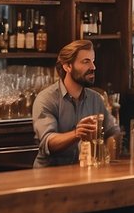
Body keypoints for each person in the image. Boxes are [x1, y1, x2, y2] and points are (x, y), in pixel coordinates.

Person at [31, 39, 121, 167]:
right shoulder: (46, 99)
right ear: (67, 66)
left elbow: (113, 131)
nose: (93, 67)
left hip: (83, 171)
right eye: (86, 61)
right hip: (50, 174)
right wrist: (76, 134)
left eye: (93, 61)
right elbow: (48, 142)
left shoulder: (95, 99)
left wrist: (106, 156)